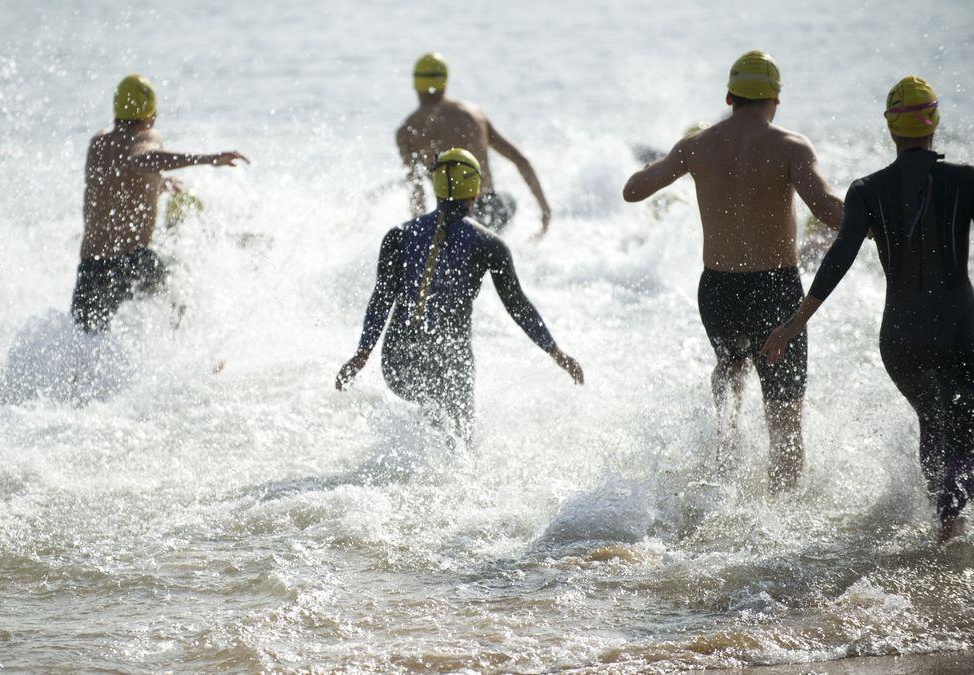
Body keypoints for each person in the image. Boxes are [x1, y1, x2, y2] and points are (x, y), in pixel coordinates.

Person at [762, 77, 974, 542]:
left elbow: (840, 256)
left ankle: (944, 520)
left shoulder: (866, 190)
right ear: (934, 120)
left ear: (889, 127)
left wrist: (796, 321)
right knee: (961, 419)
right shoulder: (965, 180)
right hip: (958, 330)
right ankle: (950, 523)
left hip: (899, 340)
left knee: (934, 419)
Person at [622, 51, 844, 492]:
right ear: (775, 100)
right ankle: (780, 515)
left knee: (731, 366)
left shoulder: (696, 145)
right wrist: (875, 217)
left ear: (729, 96)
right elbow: (827, 210)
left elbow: (633, 191)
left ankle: (724, 459)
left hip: (718, 290)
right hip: (774, 289)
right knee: (784, 419)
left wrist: (667, 165)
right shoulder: (791, 147)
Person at [336, 148, 583, 442]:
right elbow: (516, 305)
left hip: (397, 364)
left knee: (429, 416)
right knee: (458, 441)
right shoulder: (489, 244)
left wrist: (362, 354)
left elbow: (381, 299)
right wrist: (556, 352)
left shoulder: (398, 235)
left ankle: (416, 449)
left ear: (436, 186)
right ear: (475, 191)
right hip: (451, 363)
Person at [72, 74, 247, 333]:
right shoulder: (145, 137)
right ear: (150, 113)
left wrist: (157, 185)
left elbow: (116, 181)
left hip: (91, 268)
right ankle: (194, 354)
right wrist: (209, 159)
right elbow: (139, 161)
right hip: (131, 262)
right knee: (181, 293)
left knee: (82, 345)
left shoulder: (99, 142)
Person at [396, 53, 552, 237]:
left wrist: (421, 232)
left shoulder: (407, 130)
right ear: (445, 80)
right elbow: (520, 159)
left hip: (447, 216)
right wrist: (544, 209)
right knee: (507, 203)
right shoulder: (474, 115)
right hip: (488, 209)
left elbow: (416, 187)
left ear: (415, 83)